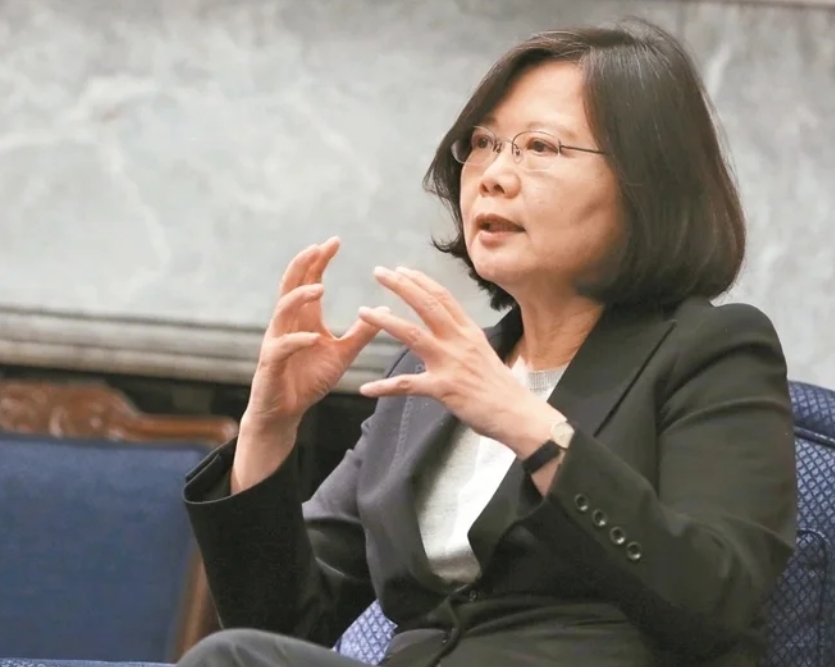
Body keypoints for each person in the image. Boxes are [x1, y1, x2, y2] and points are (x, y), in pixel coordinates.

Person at [179, 17, 796, 667]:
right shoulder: (432, 373)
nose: (494, 175)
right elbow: (282, 622)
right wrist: (270, 427)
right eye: (483, 143)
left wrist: (528, 425)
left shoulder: (714, 351)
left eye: (541, 147)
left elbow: (714, 596)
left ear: (648, 181)